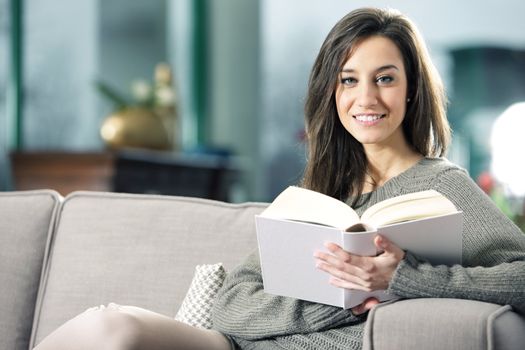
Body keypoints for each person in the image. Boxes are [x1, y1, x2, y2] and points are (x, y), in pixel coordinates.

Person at [33, 7, 525, 350]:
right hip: (230, 345)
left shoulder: (441, 185)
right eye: (349, 79)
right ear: (332, 92)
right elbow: (231, 307)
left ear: (412, 89)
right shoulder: (318, 196)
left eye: (386, 77)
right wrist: (349, 299)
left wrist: (404, 280)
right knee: (109, 326)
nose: (366, 98)